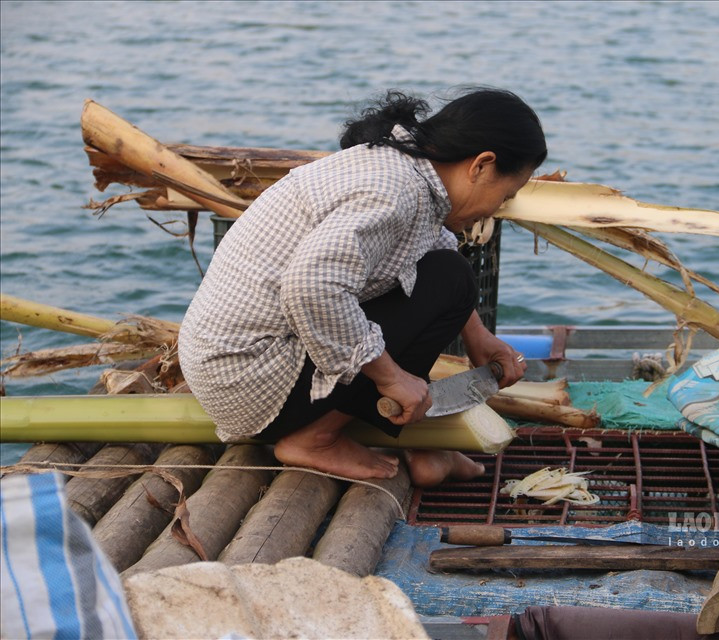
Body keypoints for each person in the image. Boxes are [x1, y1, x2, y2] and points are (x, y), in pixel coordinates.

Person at [178, 88, 547, 486]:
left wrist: (478, 335)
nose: (496, 208)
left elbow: (426, 250)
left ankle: (419, 445)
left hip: (231, 368)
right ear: (482, 165)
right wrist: (390, 378)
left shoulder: (402, 168)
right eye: (505, 195)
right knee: (451, 278)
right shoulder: (394, 192)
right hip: (251, 380)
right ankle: (316, 438)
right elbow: (312, 287)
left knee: (449, 276)